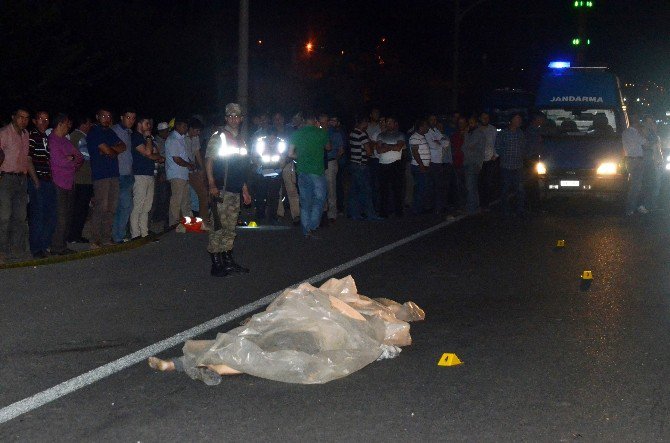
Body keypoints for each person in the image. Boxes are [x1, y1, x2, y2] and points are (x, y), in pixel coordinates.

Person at [205, 103, 251, 276]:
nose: (234, 119)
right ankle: (216, 264)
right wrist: (211, 184)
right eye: (230, 116)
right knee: (218, 226)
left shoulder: (241, 139)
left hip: (235, 189)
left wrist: (244, 189)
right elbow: (209, 160)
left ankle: (228, 260)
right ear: (226, 118)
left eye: (237, 116)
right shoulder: (219, 136)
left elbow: (241, 167)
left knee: (230, 227)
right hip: (221, 189)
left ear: (241, 119)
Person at [86, 107, 127, 248]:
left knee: (111, 208)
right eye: (103, 116)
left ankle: (106, 238)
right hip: (101, 175)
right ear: (97, 117)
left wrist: (109, 150)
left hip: (114, 174)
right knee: (101, 207)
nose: (107, 119)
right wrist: (110, 150)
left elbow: (123, 146)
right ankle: (94, 239)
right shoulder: (94, 132)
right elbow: (108, 150)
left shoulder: (110, 132)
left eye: (109, 116)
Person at [289, 114, 330, 238]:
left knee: (305, 201)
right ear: (315, 121)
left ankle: (306, 230)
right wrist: (321, 128)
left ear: (304, 122)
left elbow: (290, 153)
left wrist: (300, 157)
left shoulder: (297, 134)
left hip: (302, 171)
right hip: (317, 171)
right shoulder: (321, 133)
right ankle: (312, 224)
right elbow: (328, 147)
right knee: (320, 198)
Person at [49, 113, 84, 255]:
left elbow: (79, 157)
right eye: (68, 123)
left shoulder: (65, 141)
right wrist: (71, 160)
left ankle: (62, 245)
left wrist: (71, 161)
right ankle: (57, 247)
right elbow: (59, 162)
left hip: (69, 181)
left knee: (68, 216)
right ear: (61, 123)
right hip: (58, 183)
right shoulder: (52, 140)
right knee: (61, 217)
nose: (69, 126)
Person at [0, 107, 31, 263]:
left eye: (26, 118)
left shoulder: (26, 135)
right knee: (4, 216)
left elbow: (27, 159)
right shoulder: (4, 133)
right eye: (20, 117)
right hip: (5, 178)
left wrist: (33, 178)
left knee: (20, 217)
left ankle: (17, 249)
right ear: (13, 117)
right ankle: (2, 251)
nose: (23, 120)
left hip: (21, 179)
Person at [27, 111, 57, 258]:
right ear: (34, 121)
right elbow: (28, 159)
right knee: (38, 215)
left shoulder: (45, 136)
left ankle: (44, 245)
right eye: (41, 119)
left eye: (47, 119)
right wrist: (35, 180)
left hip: (48, 179)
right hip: (38, 180)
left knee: (50, 214)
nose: (45, 121)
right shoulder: (32, 135)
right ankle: (36, 248)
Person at [130, 117, 164, 239]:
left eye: (149, 124)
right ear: (139, 124)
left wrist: (153, 154)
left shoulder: (146, 139)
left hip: (149, 174)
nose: (149, 126)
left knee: (147, 206)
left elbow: (157, 154)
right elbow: (149, 153)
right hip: (139, 174)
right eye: (146, 123)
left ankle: (144, 232)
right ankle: (135, 234)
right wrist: (149, 138)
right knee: (138, 204)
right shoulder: (136, 137)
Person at [347, 117, 382, 221]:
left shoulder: (352, 133)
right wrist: (372, 145)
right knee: (366, 190)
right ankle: (370, 214)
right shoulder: (362, 134)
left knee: (354, 190)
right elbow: (369, 152)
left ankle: (354, 213)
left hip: (353, 163)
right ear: (364, 123)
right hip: (361, 164)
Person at [111, 108, 136, 243]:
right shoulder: (115, 130)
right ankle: (117, 236)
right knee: (124, 205)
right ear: (122, 117)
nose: (131, 120)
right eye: (128, 117)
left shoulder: (128, 132)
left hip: (128, 173)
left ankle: (118, 234)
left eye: (133, 118)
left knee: (124, 205)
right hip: (119, 174)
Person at [68, 115, 94, 243]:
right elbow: (87, 157)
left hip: (80, 178)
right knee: (80, 209)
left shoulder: (74, 136)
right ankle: (74, 235)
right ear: (83, 124)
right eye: (89, 123)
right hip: (82, 179)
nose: (91, 126)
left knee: (79, 209)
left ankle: (74, 235)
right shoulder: (80, 137)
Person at [495, 113, 527, 217]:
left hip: (518, 166)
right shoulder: (503, 133)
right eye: (517, 119)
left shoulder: (520, 133)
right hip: (506, 166)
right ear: (511, 120)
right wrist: (505, 153)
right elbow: (498, 147)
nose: (519, 121)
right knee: (505, 190)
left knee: (520, 190)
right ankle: (505, 211)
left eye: (520, 119)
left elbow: (523, 147)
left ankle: (520, 210)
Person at [165, 117, 195, 227]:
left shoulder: (180, 139)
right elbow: (176, 159)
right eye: (184, 126)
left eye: (186, 126)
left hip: (183, 174)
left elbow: (182, 157)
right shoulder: (173, 139)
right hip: (176, 174)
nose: (186, 128)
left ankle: (188, 225)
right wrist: (189, 165)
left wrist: (189, 163)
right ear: (177, 126)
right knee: (176, 201)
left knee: (185, 201)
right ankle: (173, 224)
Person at [376, 116, 405, 218]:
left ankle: (398, 211)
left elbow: (398, 147)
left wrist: (386, 146)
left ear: (394, 123)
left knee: (397, 188)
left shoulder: (400, 134)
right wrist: (391, 147)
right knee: (383, 189)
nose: (388, 124)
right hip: (383, 164)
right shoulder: (380, 135)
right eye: (387, 122)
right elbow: (379, 150)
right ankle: (384, 212)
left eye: (390, 122)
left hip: (395, 164)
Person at [274, 113, 300, 224]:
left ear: (283, 119)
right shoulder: (271, 131)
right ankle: (279, 213)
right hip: (274, 164)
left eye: (279, 118)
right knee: (277, 190)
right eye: (275, 119)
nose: (277, 120)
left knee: (291, 189)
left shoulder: (290, 131)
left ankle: (296, 214)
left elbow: (295, 147)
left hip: (288, 163)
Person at [622, 113, 647, 216]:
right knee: (636, 186)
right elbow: (645, 142)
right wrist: (643, 133)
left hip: (629, 159)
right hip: (636, 161)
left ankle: (632, 207)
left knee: (633, 185)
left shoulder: (625, 132)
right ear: (635, 123)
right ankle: (631, 208)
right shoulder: (635, 133)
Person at [185, 118, 209, 227]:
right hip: (183, 171)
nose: (198, 133)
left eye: (199, 131)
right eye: (196, 130)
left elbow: (197, 153)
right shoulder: (182, 138)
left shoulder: (195, 138)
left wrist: (203, 169)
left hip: (193, 170)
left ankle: (202, 222)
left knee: (202, 194)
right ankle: (190, 223)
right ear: (190, 129)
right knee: (187, 198)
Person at [426, 115, 450, 214]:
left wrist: (438, 142)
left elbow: (447, 142)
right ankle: (432, 207)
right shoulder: (427, 132)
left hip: (439, 161)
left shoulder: (436, 130)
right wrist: (439, 142)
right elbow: (432, 145)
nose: (433, 121)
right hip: (432, 161)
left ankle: (438, 207)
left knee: (439, 185)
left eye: (435, 119)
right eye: (431, 119)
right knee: (433, 185)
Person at [463, 116, 486, 214]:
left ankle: (471, 208)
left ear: (476, 123)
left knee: (470, 186)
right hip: (469, 162)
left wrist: (465, 135)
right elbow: (466, 147)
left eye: (472, 123)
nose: (470, 125)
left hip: (474, 162)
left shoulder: (478, 133)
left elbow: (466, 146)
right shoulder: (471, 133)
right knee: (472, 186)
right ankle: (475, 207)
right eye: (470, 123)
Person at [151, 121, 171, 232]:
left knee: (166, 195)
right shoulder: (157, 141)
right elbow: (158, 157)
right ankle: (157, 218)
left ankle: (162, 217)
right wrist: (161, 173)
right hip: (160, 169)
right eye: (165, 131)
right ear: (160, 131)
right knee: (160, 195)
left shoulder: (167, 140)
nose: (167, 132)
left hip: (167, 169)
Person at [410, 119, 432, 214]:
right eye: (426, 126)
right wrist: (421, 165)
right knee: (421, 188)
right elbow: (415, 152)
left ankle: (419, 207)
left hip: (422, 166)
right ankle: (417, 209)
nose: (427, 128)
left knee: (422, 187)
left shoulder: (422, 136)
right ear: (421, 127)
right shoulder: (415, 137)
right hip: (418, 167)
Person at [477, 112, 498, 209]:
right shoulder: (476, 129)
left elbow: (497, 143)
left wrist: (496, 155)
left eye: (487, 117)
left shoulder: (493, 129)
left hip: (490, 160)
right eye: (483, 117)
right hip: (478, 160)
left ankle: (487, 203)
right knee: (480, 182)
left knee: (488, 182)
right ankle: (480, 202)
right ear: (480, 118)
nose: (485, 119)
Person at [325, 115, 344, 222]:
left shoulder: (335, 134)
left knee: (331, 188)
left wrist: (334, 159)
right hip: (320, 163)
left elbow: (341, 150)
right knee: (322, 188)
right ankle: (323, 211)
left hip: (331, 162)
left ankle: (332, 213)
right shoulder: (319, 133)